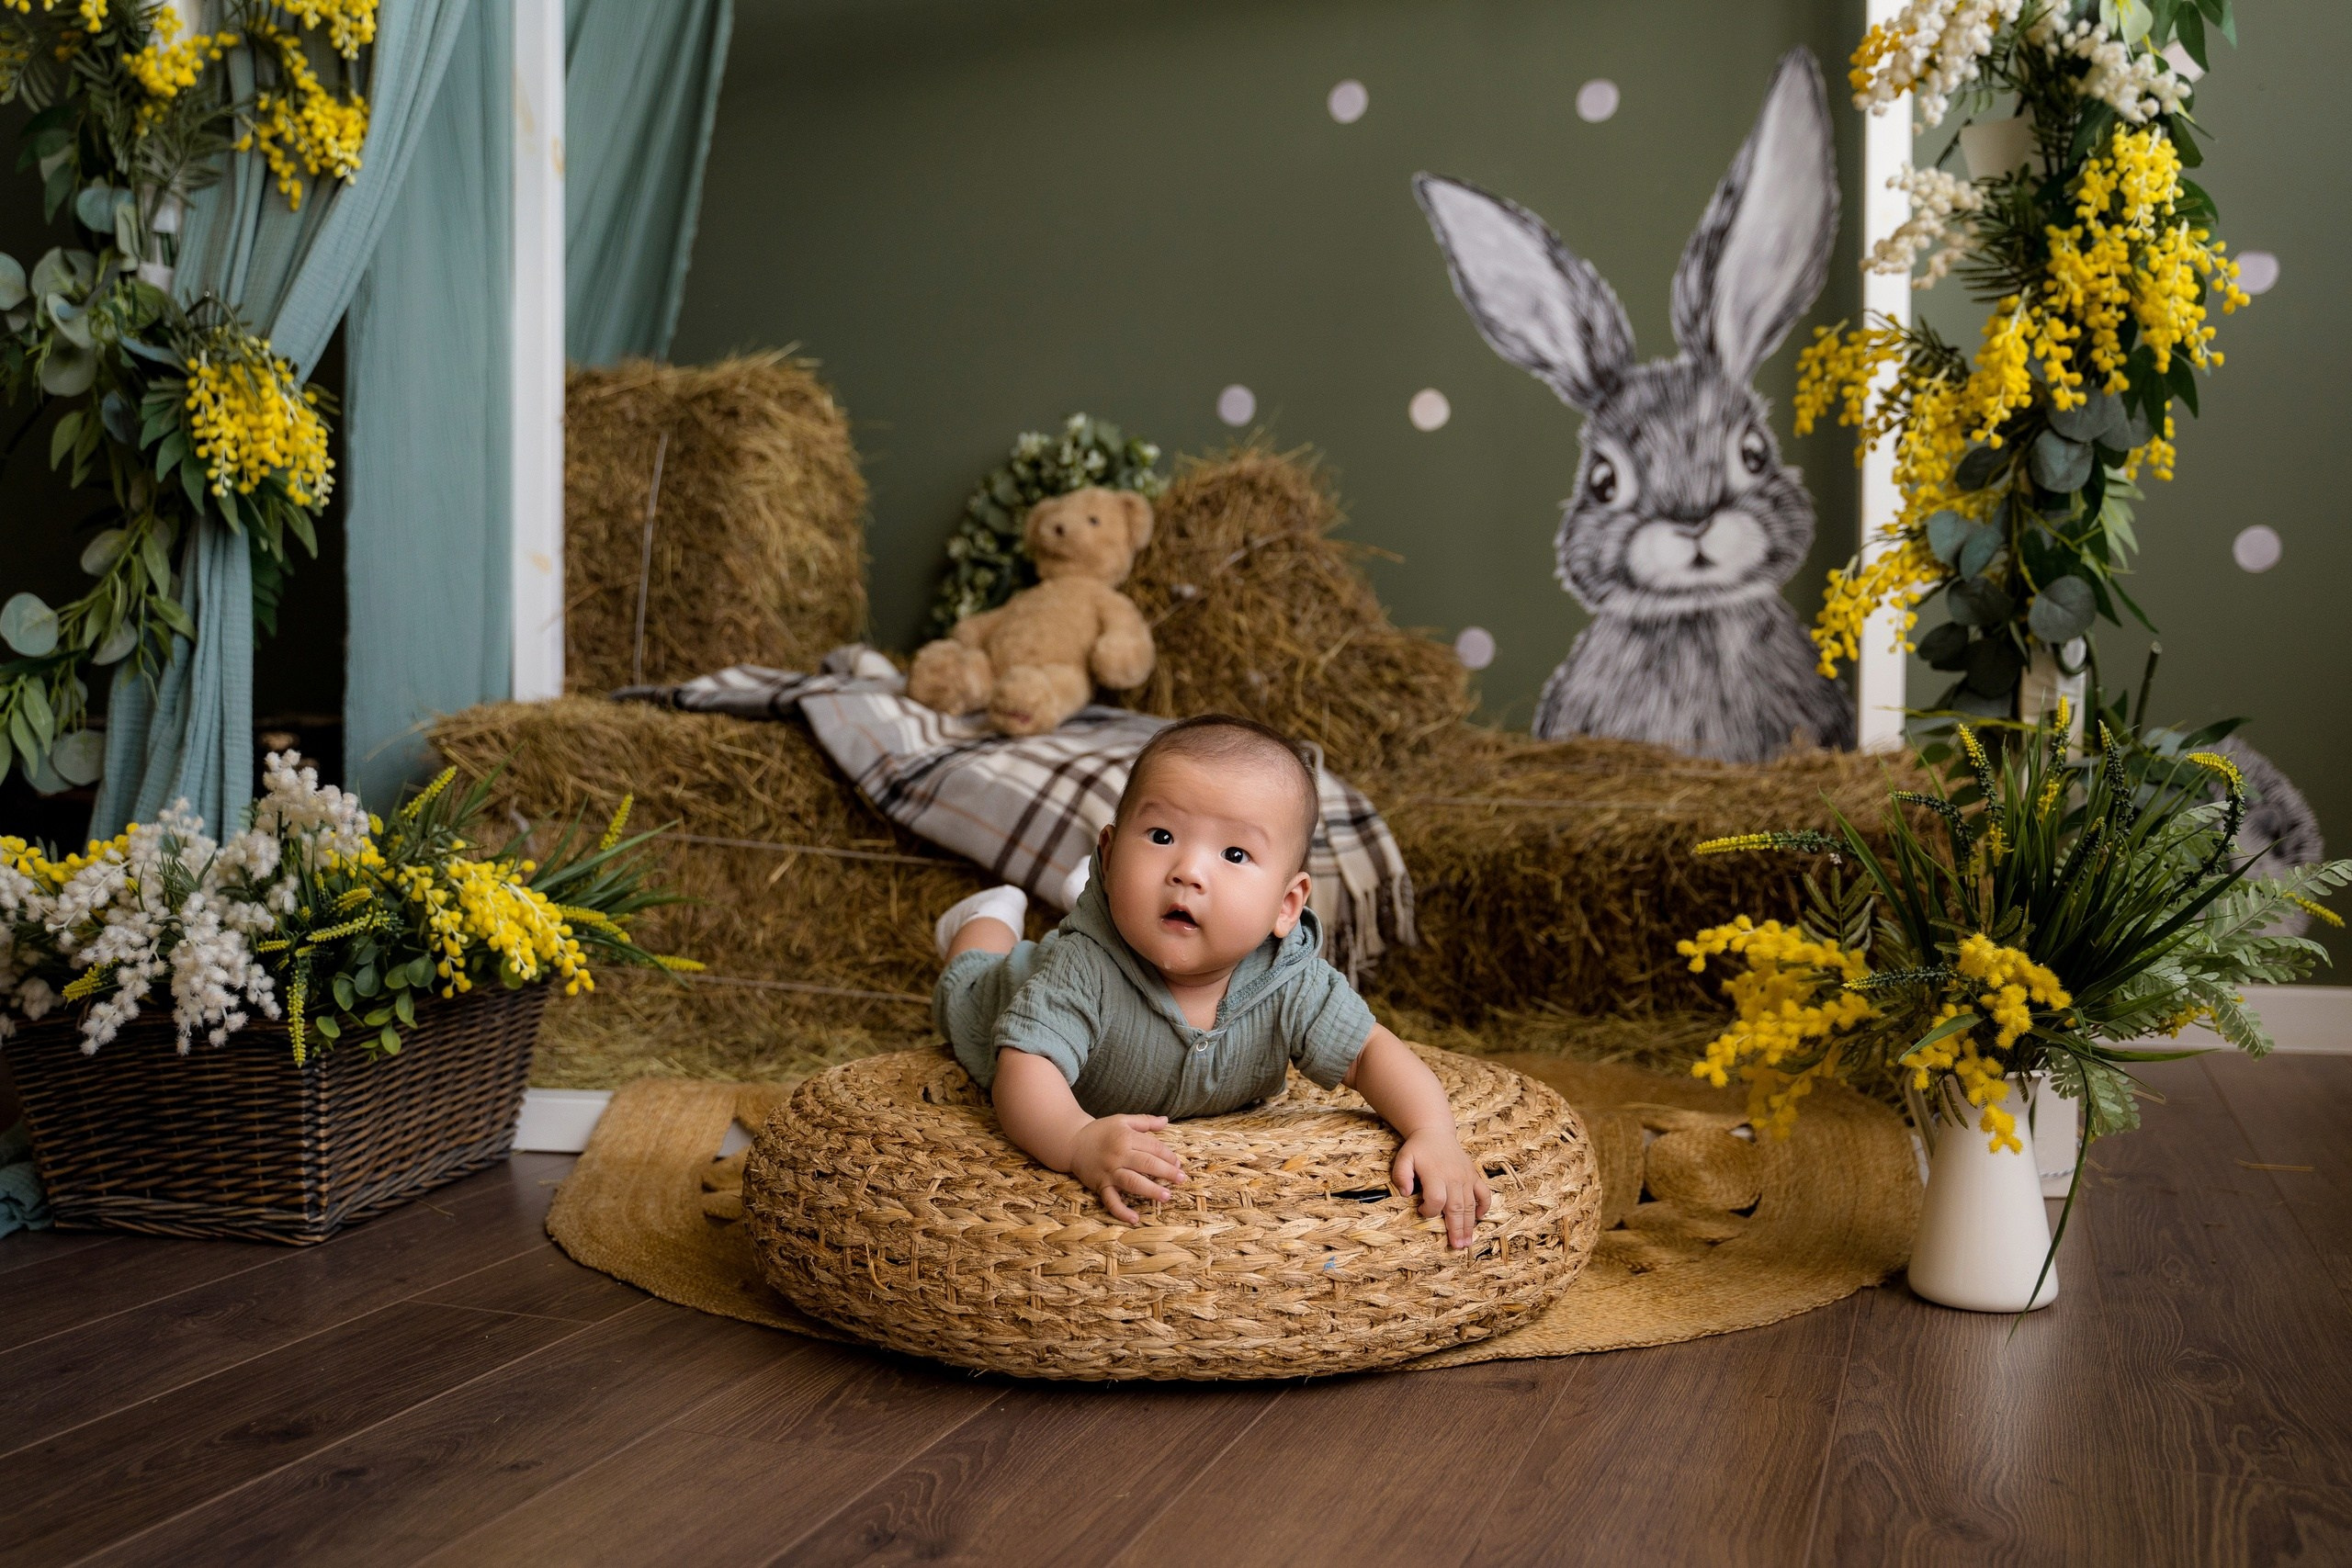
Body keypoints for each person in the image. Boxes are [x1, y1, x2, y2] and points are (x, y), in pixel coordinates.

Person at [932, 714, 1493, 1247]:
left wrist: (1433, 1130)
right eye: (1160, 836)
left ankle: (1083, 896)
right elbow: (1025, 1073)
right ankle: (986, 915)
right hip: (1003, 995)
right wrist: (1076, 1138)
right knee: (971, 975)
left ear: (1286, 904)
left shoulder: (1289, 982)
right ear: (1107, 854)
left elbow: (1369, 1051)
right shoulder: (1083, 970)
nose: (1189, 871)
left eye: (1234, 853)